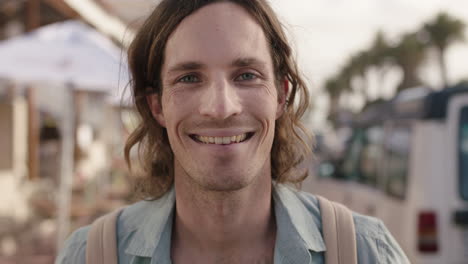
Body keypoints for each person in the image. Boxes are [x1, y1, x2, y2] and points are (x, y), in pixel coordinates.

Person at [56, 0, 410, 263]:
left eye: (246, 75)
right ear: (157, 106)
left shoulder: (365, 251)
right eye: (189, 78)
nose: (222, 107)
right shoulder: (89, 255)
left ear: (281, 95)